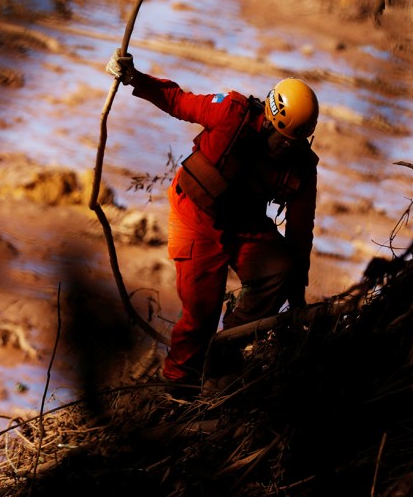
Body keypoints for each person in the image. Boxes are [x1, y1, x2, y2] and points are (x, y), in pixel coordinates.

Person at [106, 49, 320, 386]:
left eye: (298, 141)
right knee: (200, 314)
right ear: (268, 121)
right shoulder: (230, 112)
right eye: (284, 140)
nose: (290, 148)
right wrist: (135, 78)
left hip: (244, 224)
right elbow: (178, 101)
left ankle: (224, 351)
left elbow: (300, 232)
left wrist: (297, 295)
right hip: (196, 218)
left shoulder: (302, 165)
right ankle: (179, 385)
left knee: (281, 269)